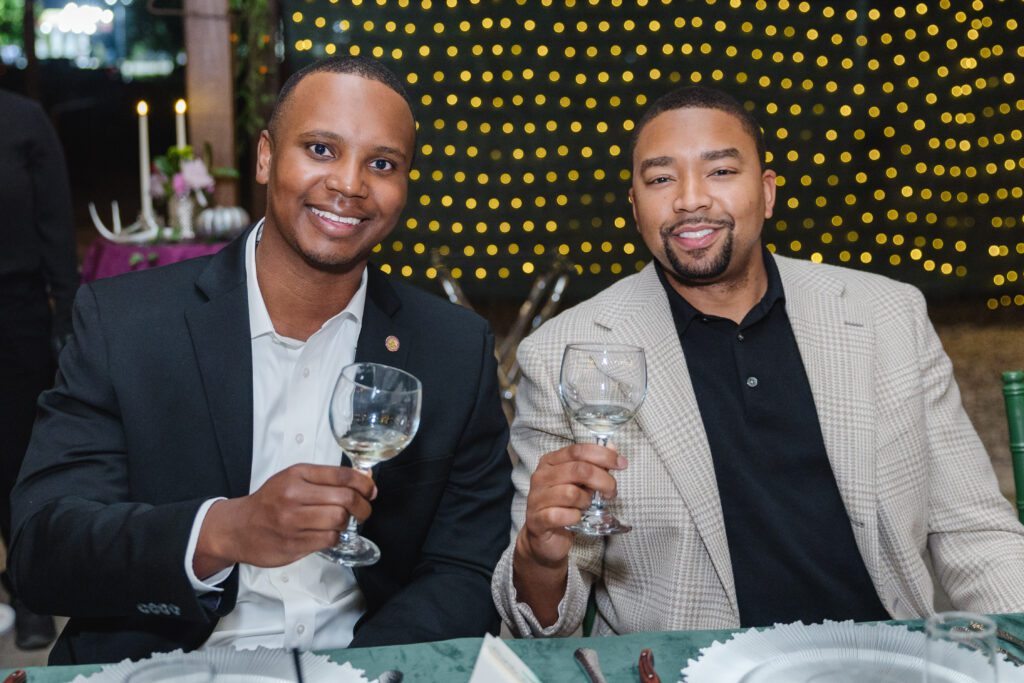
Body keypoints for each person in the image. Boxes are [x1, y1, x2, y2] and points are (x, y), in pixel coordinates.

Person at [9, 57, 513, 664]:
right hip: (162, 666)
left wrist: (352, 676)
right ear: (266, 157)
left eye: (382, 164)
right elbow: (44, 551)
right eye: (322, 149)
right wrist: (223, 531)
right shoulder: (127, 324)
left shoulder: (454, 349)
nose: (350, 184)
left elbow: (464, 569)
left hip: (362, 665)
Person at [492, 85, 1024, 637]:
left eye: (720, 172)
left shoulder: (889, 315)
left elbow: (974, 532)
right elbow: (543, 622)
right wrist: (540, 555)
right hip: (693, 673)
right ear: (635, 206)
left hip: (886, 660)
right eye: (660, 179)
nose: (690, 199)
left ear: (766, 193)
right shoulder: (565, 353)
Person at [0, 88, 77, 650]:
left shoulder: (22, 119)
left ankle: (27, 590)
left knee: (14, 450)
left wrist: (68, 317)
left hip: (15, 313)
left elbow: (55, 221)